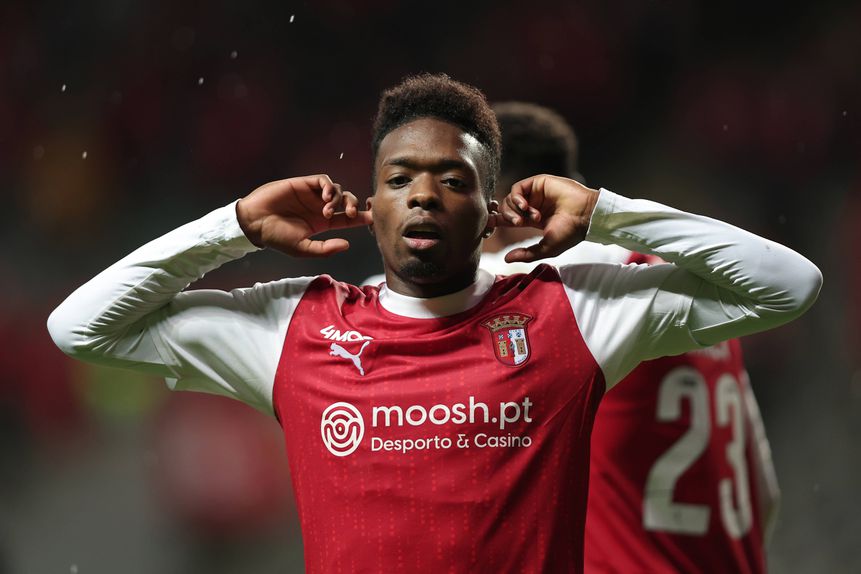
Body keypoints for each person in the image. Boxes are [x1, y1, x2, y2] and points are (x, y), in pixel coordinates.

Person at [47, 73, 821, 573]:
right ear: (371, 204)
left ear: (492, 212)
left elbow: (789, 285)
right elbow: (82, 329)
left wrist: (605, 212)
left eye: (452, 179)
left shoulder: (570, 314)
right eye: (399, 179)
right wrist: (233, 226)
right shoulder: (296, 326)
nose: (422, 195)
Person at [481, 102, 780, 573]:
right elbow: (764, 494)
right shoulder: (689, 294)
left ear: (502, 209)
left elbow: (420, 289)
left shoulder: (572, 286)